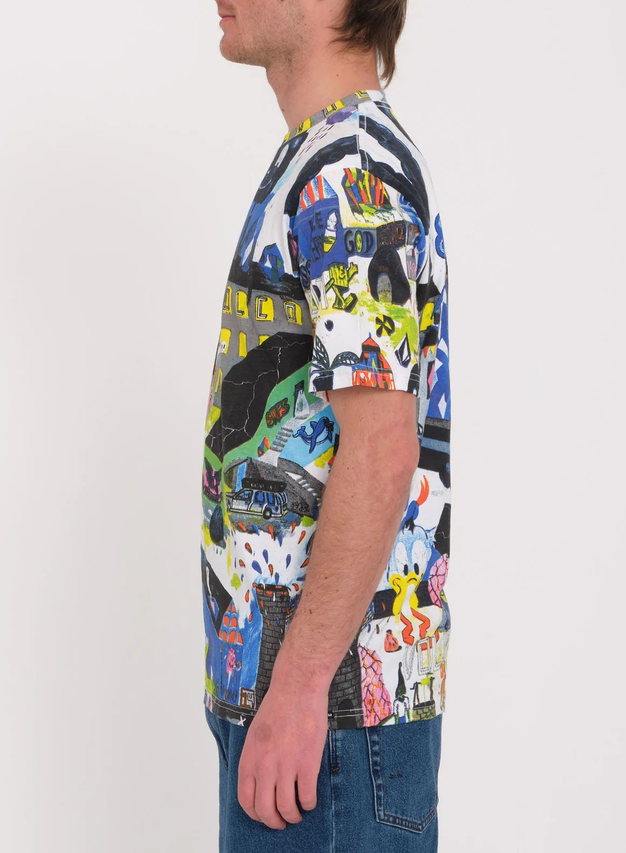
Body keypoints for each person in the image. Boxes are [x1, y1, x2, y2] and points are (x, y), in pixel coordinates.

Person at [201, 2, 452, 850]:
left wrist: (302, 686)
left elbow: (382, 445)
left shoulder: (350, 171)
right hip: (308, 707)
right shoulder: (326, 157)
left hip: (332, 719)